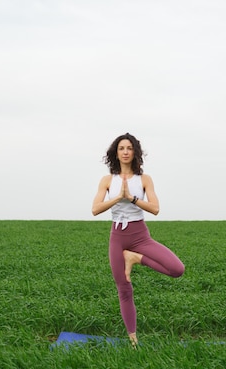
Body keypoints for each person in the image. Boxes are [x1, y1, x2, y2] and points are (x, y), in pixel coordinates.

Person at [92, 132, 185, 346]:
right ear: (116, 153)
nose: (126, 152)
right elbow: (95, 209)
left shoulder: (144, 179)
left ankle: (135, 258)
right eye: (122, 148)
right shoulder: (107, 180)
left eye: (130, 148)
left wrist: (132, 198)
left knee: (176, 269)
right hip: (118, 237)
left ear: (135, 153)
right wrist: (117, 197)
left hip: (140, 236)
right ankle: (133, 340)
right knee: (124, 288)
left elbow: (155, 208)